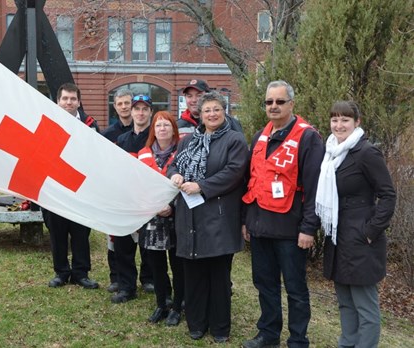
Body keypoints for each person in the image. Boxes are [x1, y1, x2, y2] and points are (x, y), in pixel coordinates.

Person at [241, 80, 324, 348]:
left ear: (292, 104)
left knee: (295, 289)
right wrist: (246, 221)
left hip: (291, 230)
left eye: (279, 101)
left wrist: (309, 227)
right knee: (264, 284)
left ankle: (298, 339)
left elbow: (314, 188)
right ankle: (268, 334)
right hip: (260, 226)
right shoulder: (259, 136)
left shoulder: (308, 137)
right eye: (269, 102)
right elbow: (252, 180)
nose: (273, 106)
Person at [168, 92, 247, 342]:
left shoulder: (234, 140)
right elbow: (174, 164)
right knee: (193, 274)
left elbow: (234, 173)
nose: (212, 114)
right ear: (199, 115)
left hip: (218, 218)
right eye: (207, 110)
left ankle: (220, 327)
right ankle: (196, 324)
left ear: (224, 112)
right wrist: (175, 175)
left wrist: (202, 186)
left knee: (218, 276)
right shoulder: (188, 141)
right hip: (189, 217)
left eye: (216, 109)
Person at [316, 101, 396, 348]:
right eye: (334, 120)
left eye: (345, 120)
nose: (339, 125)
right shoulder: (330, 152)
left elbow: (388, 195)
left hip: (361, 239)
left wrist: (371, 231)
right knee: (345, 302)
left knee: (365, 306)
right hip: (338, 237)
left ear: (357, 122)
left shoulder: (366, 152)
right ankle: (346, 343)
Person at [43, 82, 99, 290]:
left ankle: (80, 273)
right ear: (58, 101)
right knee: (57, 232)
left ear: (79, 101)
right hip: (54, 186)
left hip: (79, 187)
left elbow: (96, 154)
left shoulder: (90, 124)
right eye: (65, 98)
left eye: (73, 99)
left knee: (80, 232)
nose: (69, 102)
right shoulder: (48, 121)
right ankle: (61, 272)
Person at [111, 94, 162, 303]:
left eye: (144, 109)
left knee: (148, 242)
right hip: (126, 199)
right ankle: (126, 286)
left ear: (150, 112)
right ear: (131, 112)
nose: (140, 113)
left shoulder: (157, 137)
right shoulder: (122, 140)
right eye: (137, 109)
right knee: (123, 244)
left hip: (149, 200)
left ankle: (148, 278)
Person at [137, 111, 185, 326]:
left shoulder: (183, 153)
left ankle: (177, 305)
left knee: (178, 264)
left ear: (173, 129)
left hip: (178, 218)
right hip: (153, 218)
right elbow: (138, 186)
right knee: (156, 264)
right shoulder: (144, 154)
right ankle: (161, 302)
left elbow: (187, 185)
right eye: (158, 125)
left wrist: (171, 207)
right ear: (153, 130)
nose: (162, 129)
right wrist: (155, 207)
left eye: (167, 125)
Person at [100, 88, 134, 293]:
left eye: (127, 103)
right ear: (115, 107)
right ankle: (117, 277)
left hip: (139, 195)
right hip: (116, 195)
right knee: (114, 239)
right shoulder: (108, 134)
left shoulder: (147, 132)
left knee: (144, 240)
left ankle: (147, 277)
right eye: (120, 104)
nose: (124, 107)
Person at [177, 79, 242, 137]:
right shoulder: (178, 125)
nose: (194, 100)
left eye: (199, 95)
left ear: (208, 97)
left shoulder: (229, 122)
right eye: (189, 96)